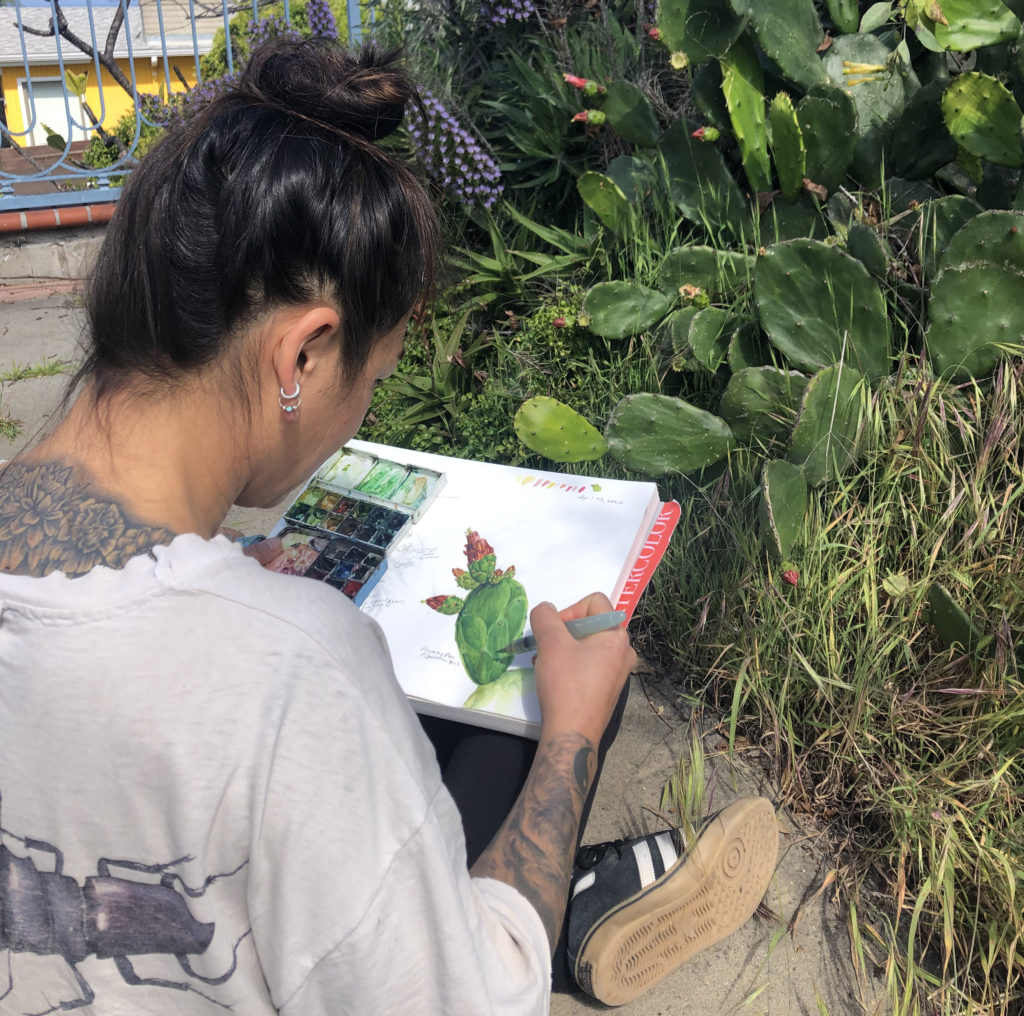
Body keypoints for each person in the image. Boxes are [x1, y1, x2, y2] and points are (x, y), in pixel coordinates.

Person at [0, 38, 778, 1014]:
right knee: (546, 697)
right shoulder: (292, 675)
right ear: (305, 354)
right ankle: (570, 898)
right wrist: (572, 740)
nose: (362, 409)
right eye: (375, 376)